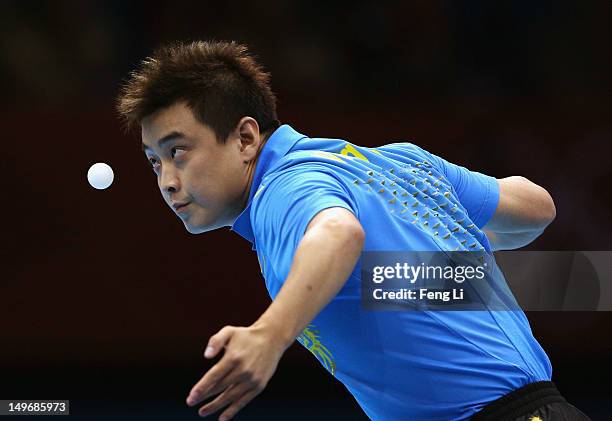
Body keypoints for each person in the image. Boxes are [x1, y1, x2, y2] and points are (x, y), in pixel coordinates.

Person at [116, 40, 590, 421]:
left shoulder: (282, 189)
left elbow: (339, 234)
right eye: (154, 161)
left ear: (245, 138)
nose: (167, 182)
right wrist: (459, 256)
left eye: (178, 152)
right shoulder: (395, 163)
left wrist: (269, 336)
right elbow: (537, 208)